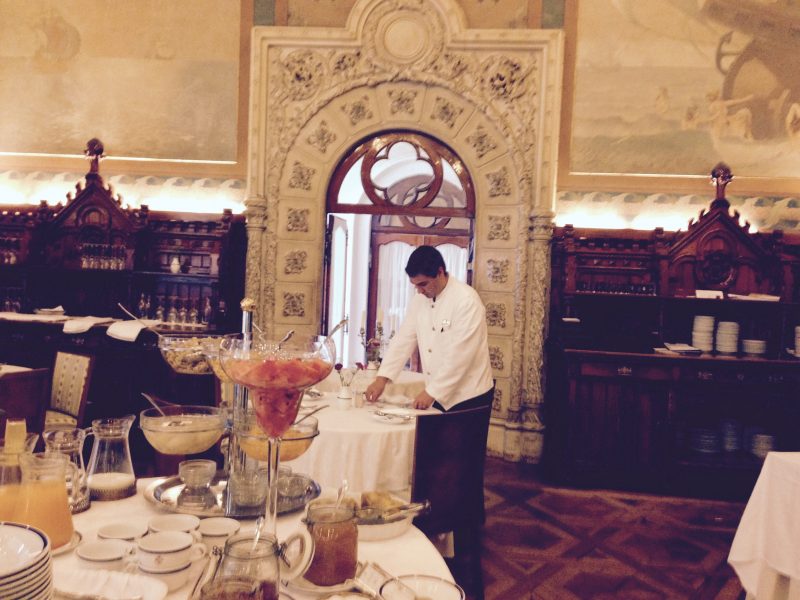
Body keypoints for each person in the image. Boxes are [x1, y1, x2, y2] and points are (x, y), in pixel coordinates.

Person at [364, 245, 494, 412]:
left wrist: (431, 392)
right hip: (438, 392)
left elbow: (461, 356)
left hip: (470, 395)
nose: (419, 291)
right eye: (415, 285)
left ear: (440, 272)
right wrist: (381, 379)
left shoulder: (466, 301)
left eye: (423, 284)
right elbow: (403, 339)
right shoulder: (419, 300)